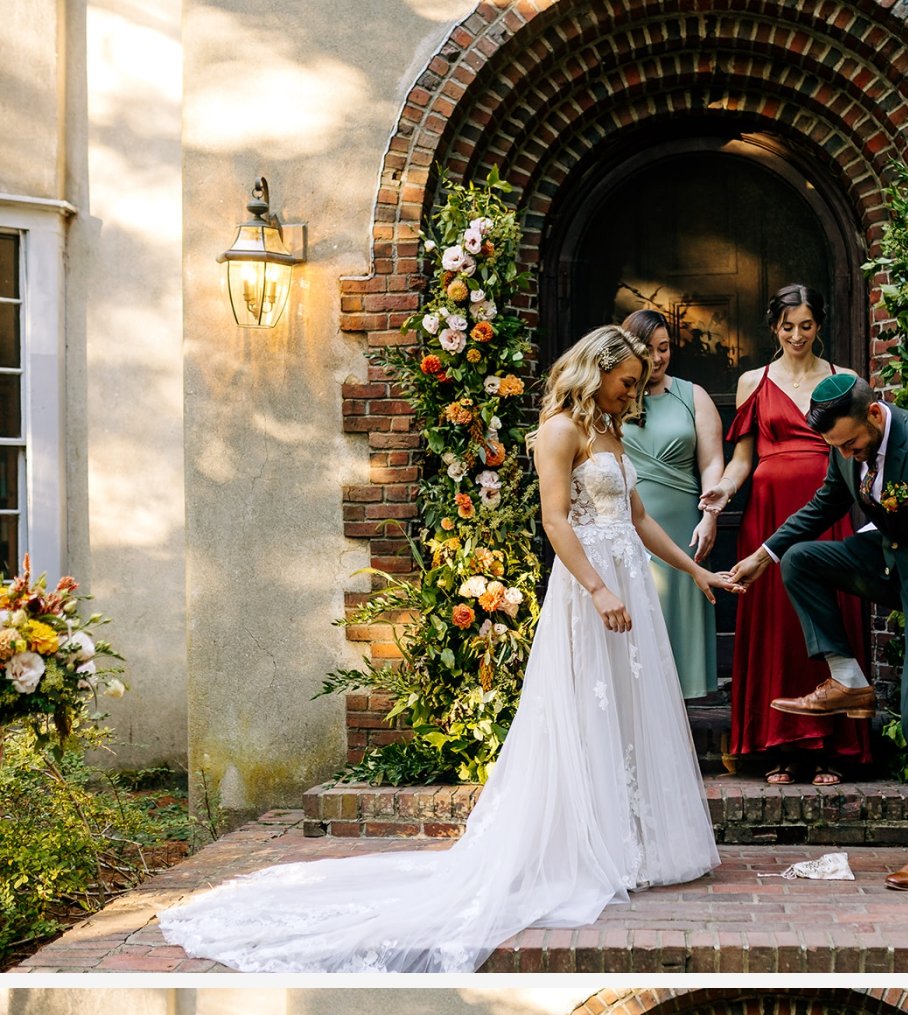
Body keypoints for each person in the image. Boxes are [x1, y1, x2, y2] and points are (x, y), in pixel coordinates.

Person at [159, 327, 735, 974]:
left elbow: (639, 519)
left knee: (631, 712)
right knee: (587, 713)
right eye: (626, 381)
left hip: (631, 580)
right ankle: (586, 846)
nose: (635, 393)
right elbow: (554, 521)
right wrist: (598, 588)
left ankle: (636, 844)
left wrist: (694, 571)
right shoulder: (558, 432)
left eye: (636, 383)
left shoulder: (611, 429)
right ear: (596, 370)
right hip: (590, 586)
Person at [730, 372, 908, 890]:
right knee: (802, 560)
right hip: (890, 564)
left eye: (853, 442)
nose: (851, 455)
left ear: (875, 415)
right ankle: (849, 679)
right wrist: (764, 555)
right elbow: (823, 506)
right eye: (839, 447)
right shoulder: (844, 449)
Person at [700, 286, 870, 786]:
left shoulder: (846, 380)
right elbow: (742, 459)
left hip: (828, 510)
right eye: (787, 326)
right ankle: (782, 744)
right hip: (769, 516)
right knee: (779, 625)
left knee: (828, 617)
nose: (797, 336)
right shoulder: (754, 380)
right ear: (773, 328)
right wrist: (723, 491)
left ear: (820, 326)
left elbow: (858, 450)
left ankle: (834, 747)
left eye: (807, 326)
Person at [621, 309, 723, 699]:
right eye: (648, 349)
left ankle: (686, 712)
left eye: (664, 348)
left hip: (685, 526)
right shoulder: (614, 394)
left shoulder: (691, 394)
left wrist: (710, 514)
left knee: (680, 613)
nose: (658, 357)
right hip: (629, 524)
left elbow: (712, 460)